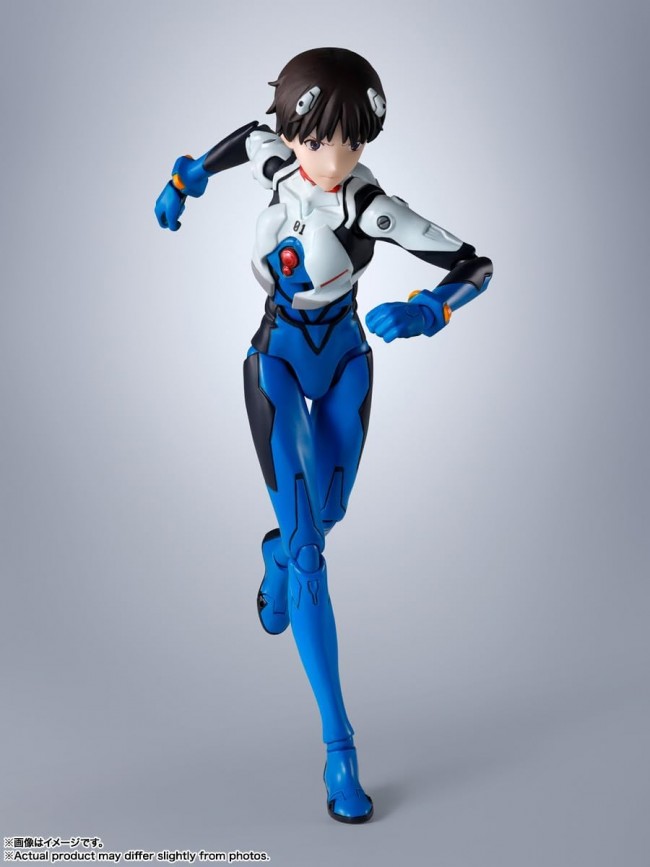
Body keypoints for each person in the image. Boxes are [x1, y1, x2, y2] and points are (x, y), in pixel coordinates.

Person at [155, 47, 492, 823]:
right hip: (275, 359)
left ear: (367, 136)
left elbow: (474, 263)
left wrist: (434, 307)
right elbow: (245, 139)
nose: (334, 157)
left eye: (351, 140)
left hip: (344, 363)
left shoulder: (373, 208)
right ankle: (340, 749)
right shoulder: (278, 160)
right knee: (314, 550)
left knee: (322, 520)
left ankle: (276, 555)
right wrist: (185, 177)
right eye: (317, 139)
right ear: (294, 133)